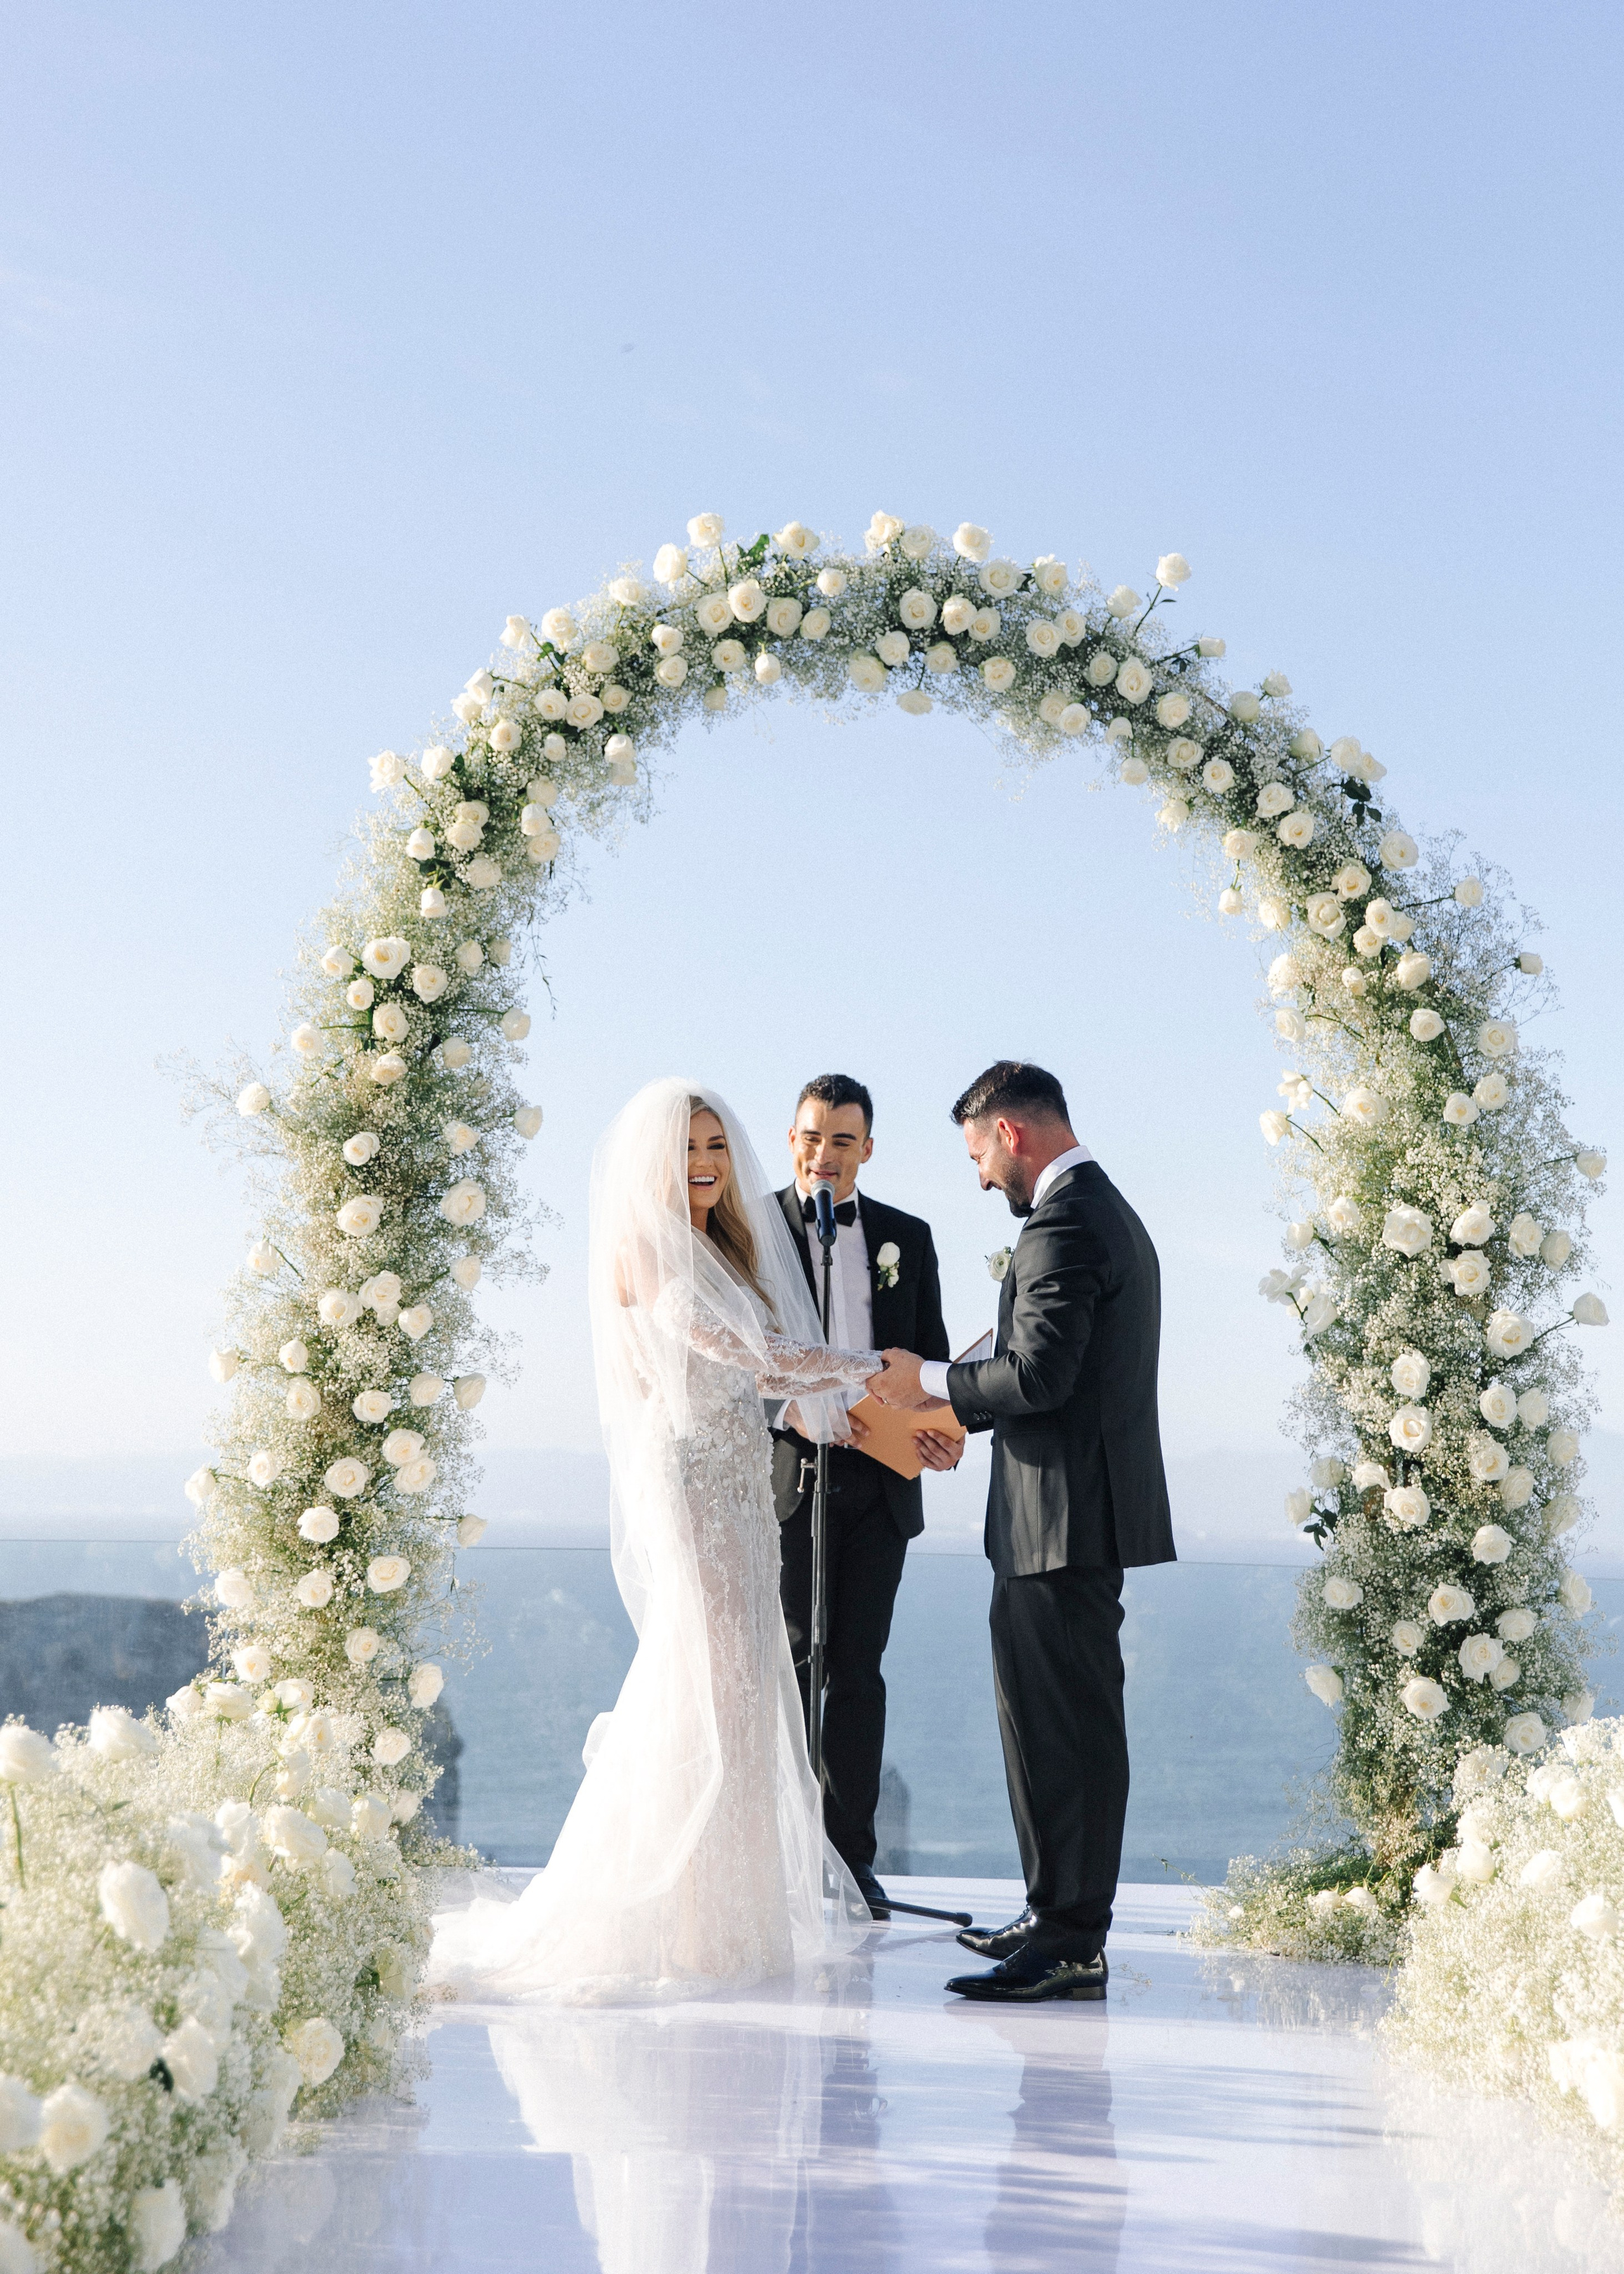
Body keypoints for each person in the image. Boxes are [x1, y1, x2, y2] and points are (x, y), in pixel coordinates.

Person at [429, 1080, 883, 2004]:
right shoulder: (642, 1246)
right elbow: (745, 1355)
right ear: (652, 1162)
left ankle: (725, 1923)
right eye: (688, 1150)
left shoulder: (720, 1245)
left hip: (742, 1495)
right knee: (704, 1691)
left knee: (747, 1692)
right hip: (691, 1496)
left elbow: (760, 1383)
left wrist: (862, 1405)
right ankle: (671, 1918)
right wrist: (876, 1365)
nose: (708, 1166)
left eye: (717, 1147)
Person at [872, 1061, 1174, 2004]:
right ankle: (1054, 1915)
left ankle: (1075, 1938)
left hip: (1066, 1522)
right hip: (1060, 1519)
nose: (977, 1178)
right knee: (1045, 1728)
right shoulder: (1092, 1211)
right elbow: (1054, 1373)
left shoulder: (1068, 1221)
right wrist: (967, 1394)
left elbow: (1039, 1377)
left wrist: (929, 1382)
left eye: (976, 1155)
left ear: (1009, 1133)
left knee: (1068, 1733)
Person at [770, 1074, 955, 1919]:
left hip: (879, 1488)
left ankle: (850, 1861)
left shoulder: (906, 1240)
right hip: (787, 1486)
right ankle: (776, 1851)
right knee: (791, 1666)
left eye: (843, 1141)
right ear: (792, 1140)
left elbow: (933, 1362)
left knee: (858, 1674)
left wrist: (942, 1430)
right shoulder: (760, 1228)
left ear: (868, 1150)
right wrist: (791, 1409)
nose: (825, 1155)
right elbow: (727, 1359)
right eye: (812, 1138)